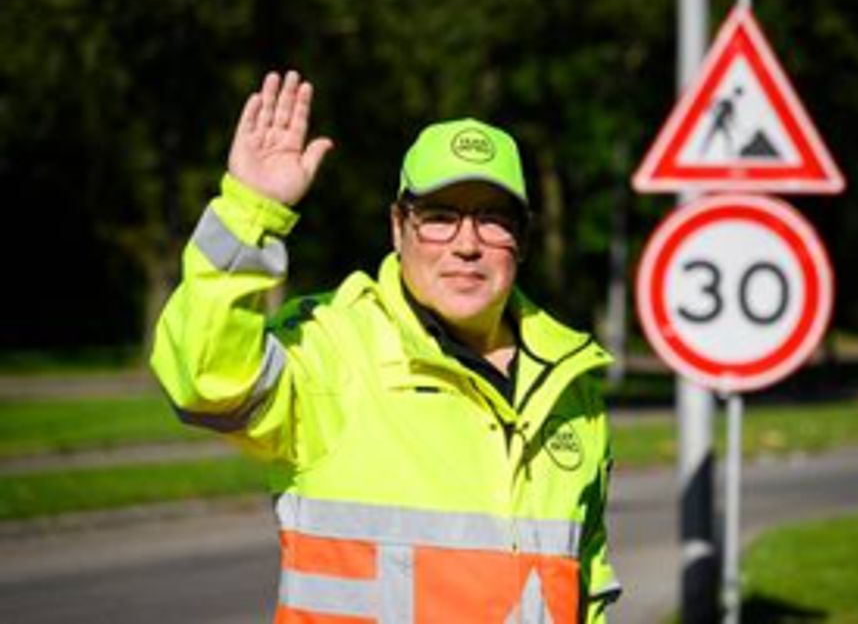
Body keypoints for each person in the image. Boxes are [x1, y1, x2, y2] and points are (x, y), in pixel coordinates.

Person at [151, 70, 620, 623]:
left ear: (523, 237)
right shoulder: (332, 347)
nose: (467, 245)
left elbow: (584, 592)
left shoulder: (572, 384)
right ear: (398, 227)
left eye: (492, 220)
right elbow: (205, 381)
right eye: (441, 219)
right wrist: (251, 212)